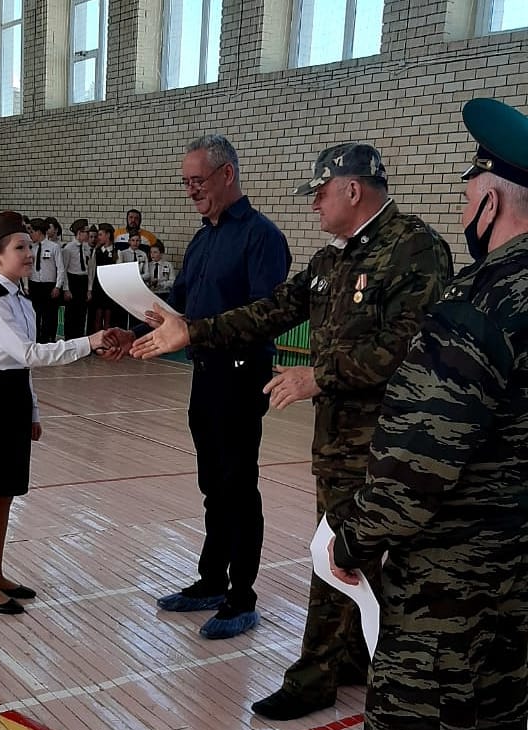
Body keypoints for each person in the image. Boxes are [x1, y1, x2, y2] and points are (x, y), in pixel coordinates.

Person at [311, 97, 528, 730]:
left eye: (470, 190)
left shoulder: (481, 304)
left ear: (490, 200)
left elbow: (415, 465)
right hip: (518, 569)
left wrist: (351, 539)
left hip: (449, 581)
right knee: (498, 722)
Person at [132, 142, 452, 678]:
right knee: (339, 548)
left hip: (390, 435)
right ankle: (348, 662)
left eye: (321, 193)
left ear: (353, 190)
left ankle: (322, 673)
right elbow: (272, 310)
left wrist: (319, 375)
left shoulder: (414, 248)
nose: (313, 204)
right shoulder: (331, 260)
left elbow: (410, 345)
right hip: (337, 436)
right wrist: (193, 331)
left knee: (364, 550)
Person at [111, 135, 290, 638]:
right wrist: (135, 332)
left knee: (238, 487)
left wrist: (198, 330)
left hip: (241, 377)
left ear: (227, 174)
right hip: (205, 375)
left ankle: (241, 597)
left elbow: (266, 316)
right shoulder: (202, 239)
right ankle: (212, 580)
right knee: (213, 484)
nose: (191, 191)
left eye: (198, 181)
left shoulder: (262, 238)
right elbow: (180, 306)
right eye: (186, 182)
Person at [0, 211, 111, 614]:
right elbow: (28, 354)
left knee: (6, 493)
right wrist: (89, 341)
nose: (29, 253)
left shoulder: (21, 299)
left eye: (29, 245)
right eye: (19, 247)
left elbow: (23, 368)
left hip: (13, 397)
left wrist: (34, 411)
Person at [27, 218, 66, 342]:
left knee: (49, 315)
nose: (30, 235)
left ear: (39, 232)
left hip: (49, 285)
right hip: (34, 284)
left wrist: (58, 286)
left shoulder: (54, 247)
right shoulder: (30, 248)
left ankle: (48, 339)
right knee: (35, 314)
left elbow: (60, 268)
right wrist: (27, 286)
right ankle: (36, 339)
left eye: (32, 232)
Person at [62, 218, 91, 338]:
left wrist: (89, 289)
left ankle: (79, 337)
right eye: (86, 232)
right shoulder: (68, 248)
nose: (88, 235)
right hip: (72, 280)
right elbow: (64, 269)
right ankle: (69, 337)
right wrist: (66, 288)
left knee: (82, 312)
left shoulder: (86, 248)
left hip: (83, 280)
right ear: (79, 232)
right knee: (71, 313)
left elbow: (89, 269)